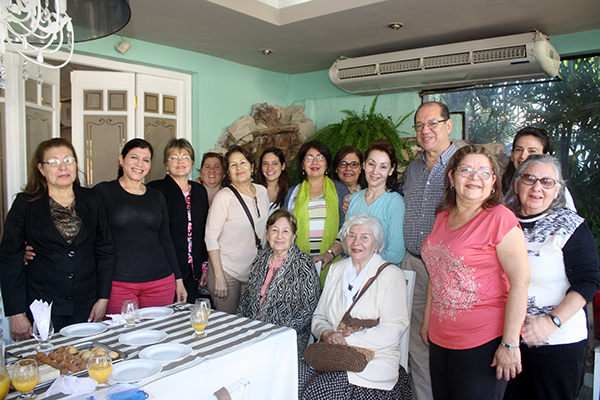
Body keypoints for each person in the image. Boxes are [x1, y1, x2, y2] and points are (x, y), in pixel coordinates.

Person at [421, 144, 530, 400]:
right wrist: (427, 321)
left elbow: (521, 282)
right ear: (451, 177)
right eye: (466, 170)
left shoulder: (499, 218)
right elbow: (437, 273)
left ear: (493, 181)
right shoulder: (443, 216)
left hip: (482, 341)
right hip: (440, 338)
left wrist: (510, 343)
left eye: (483, 172)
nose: (474, 178)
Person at [503, 154, 600, 400]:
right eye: (530, 178)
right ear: (516, 184)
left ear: (558, 191)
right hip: (507, 342)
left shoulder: (570, 225)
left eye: (547, 182)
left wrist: (551, 322)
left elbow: (588, 281)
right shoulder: (503, 221)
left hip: (557, 345)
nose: (537, 187)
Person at [0, 138, 115, 338]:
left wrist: (103, 298)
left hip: (86, 301)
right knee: (48, 362)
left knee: (85, 358)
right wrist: (16, 313)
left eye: (68, 160)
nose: (62, 167)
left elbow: (105, 249)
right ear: (41, 169)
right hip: (42, 304)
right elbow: (9, 257)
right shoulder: (25, 203)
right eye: (53, 162)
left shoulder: (92, 199)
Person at [298, 213, 412, 400]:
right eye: (351, 236)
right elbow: (319, 317)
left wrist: (346, 342)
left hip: (373, 359)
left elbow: (394, 327)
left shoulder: (392, 274)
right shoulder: (336, 269)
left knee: (321, 391)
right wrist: (327, 334)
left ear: (376, 245)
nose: (356, 242)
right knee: (294, 378)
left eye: (364, 237)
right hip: (331, 354)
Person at [400, 101, 457, 400]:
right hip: (412, 264)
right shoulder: (413, 169)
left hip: (447, 271)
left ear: (449, 126)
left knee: (448, 340)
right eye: (420, 125)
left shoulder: (463, 166)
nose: (426, 131)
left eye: (432, 123)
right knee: (416, 342)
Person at [95, 139, 187, 315]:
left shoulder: (157, 196)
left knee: (158, 336)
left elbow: (166, 239)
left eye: (146, 159)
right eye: (134, 157)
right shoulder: (103, 192)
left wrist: (179, 280)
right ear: (121, 160)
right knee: (120, 338)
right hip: (118, 284)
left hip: (161, 282)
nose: (140, 164)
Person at [237, 209, 320, 357]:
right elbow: (246, 298)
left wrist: (276, 333)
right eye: (274, 230)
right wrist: (241, 326)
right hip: (252, 330)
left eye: (286, 231)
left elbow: (309, 309)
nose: (279, 236)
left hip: (285, 336)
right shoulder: (261, 257)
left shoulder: (304, 264)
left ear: (294, 236)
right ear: (267, 233)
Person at [320, 140, 406, 265]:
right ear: (364, 165)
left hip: (381, 277)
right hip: (354, 276)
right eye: (372, 164)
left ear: (391, 170)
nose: (375, 171)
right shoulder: (353, 199)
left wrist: (360, 262)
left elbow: (395, 254)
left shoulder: (396, 203)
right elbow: (345, 242)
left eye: (383, 166)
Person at [205, 146, 269, 314]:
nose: (239, 168)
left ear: (252, 166)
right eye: (233, 165)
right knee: (228, 326)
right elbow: (210, 238)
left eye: (243, 162)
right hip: (227, 272)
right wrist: (219, 277)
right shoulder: (224, 197)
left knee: (249, 323)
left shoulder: (262, 191)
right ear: (228, 172)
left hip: (253, 272)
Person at [147, 138, 209, 304]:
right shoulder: (155, 190)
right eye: (174, 157)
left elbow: (203, 231)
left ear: (192, 162)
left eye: (185, 157)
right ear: (166, 165)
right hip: (166, 269)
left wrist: (204, 267)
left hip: (194, 269)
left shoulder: (200, 191)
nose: (180, 161)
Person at [283, 140, 350, 287]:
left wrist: (330, 254)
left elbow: (347, 228)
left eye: (320, 157)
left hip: (332, 264)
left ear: (327, 164)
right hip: (297, 267)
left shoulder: (340, 190)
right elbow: (284, 229)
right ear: (302, 164)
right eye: (309, 157)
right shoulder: (293, 193)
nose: (315, 162)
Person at [501, 126, 576, 210]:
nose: (523, 156)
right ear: (512, 153)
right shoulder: (501, 183)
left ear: (546, 156)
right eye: (519, 150)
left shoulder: (553, 188)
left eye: (532, 151)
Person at [254, 147, 290, 213]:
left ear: (283, 166)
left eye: (275, 163)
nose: (269, 168)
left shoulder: (290, 193)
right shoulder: (252, 191)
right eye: (265, 163)